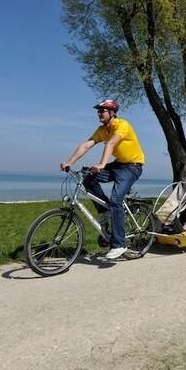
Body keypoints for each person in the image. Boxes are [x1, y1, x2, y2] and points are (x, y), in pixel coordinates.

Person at [61, 100, 145, 259]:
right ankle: (104, 211)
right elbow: (86, 145)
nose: (100, 113)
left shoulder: (122, 125)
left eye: (103, 111)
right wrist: (69, 162)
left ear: (112, 112)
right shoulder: (102, 130)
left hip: (133, 167)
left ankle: (119, 244)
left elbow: (112, 143)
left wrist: (102, 163)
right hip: (118, 165)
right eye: (99, 111)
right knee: (88, 178)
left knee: (115, 200)